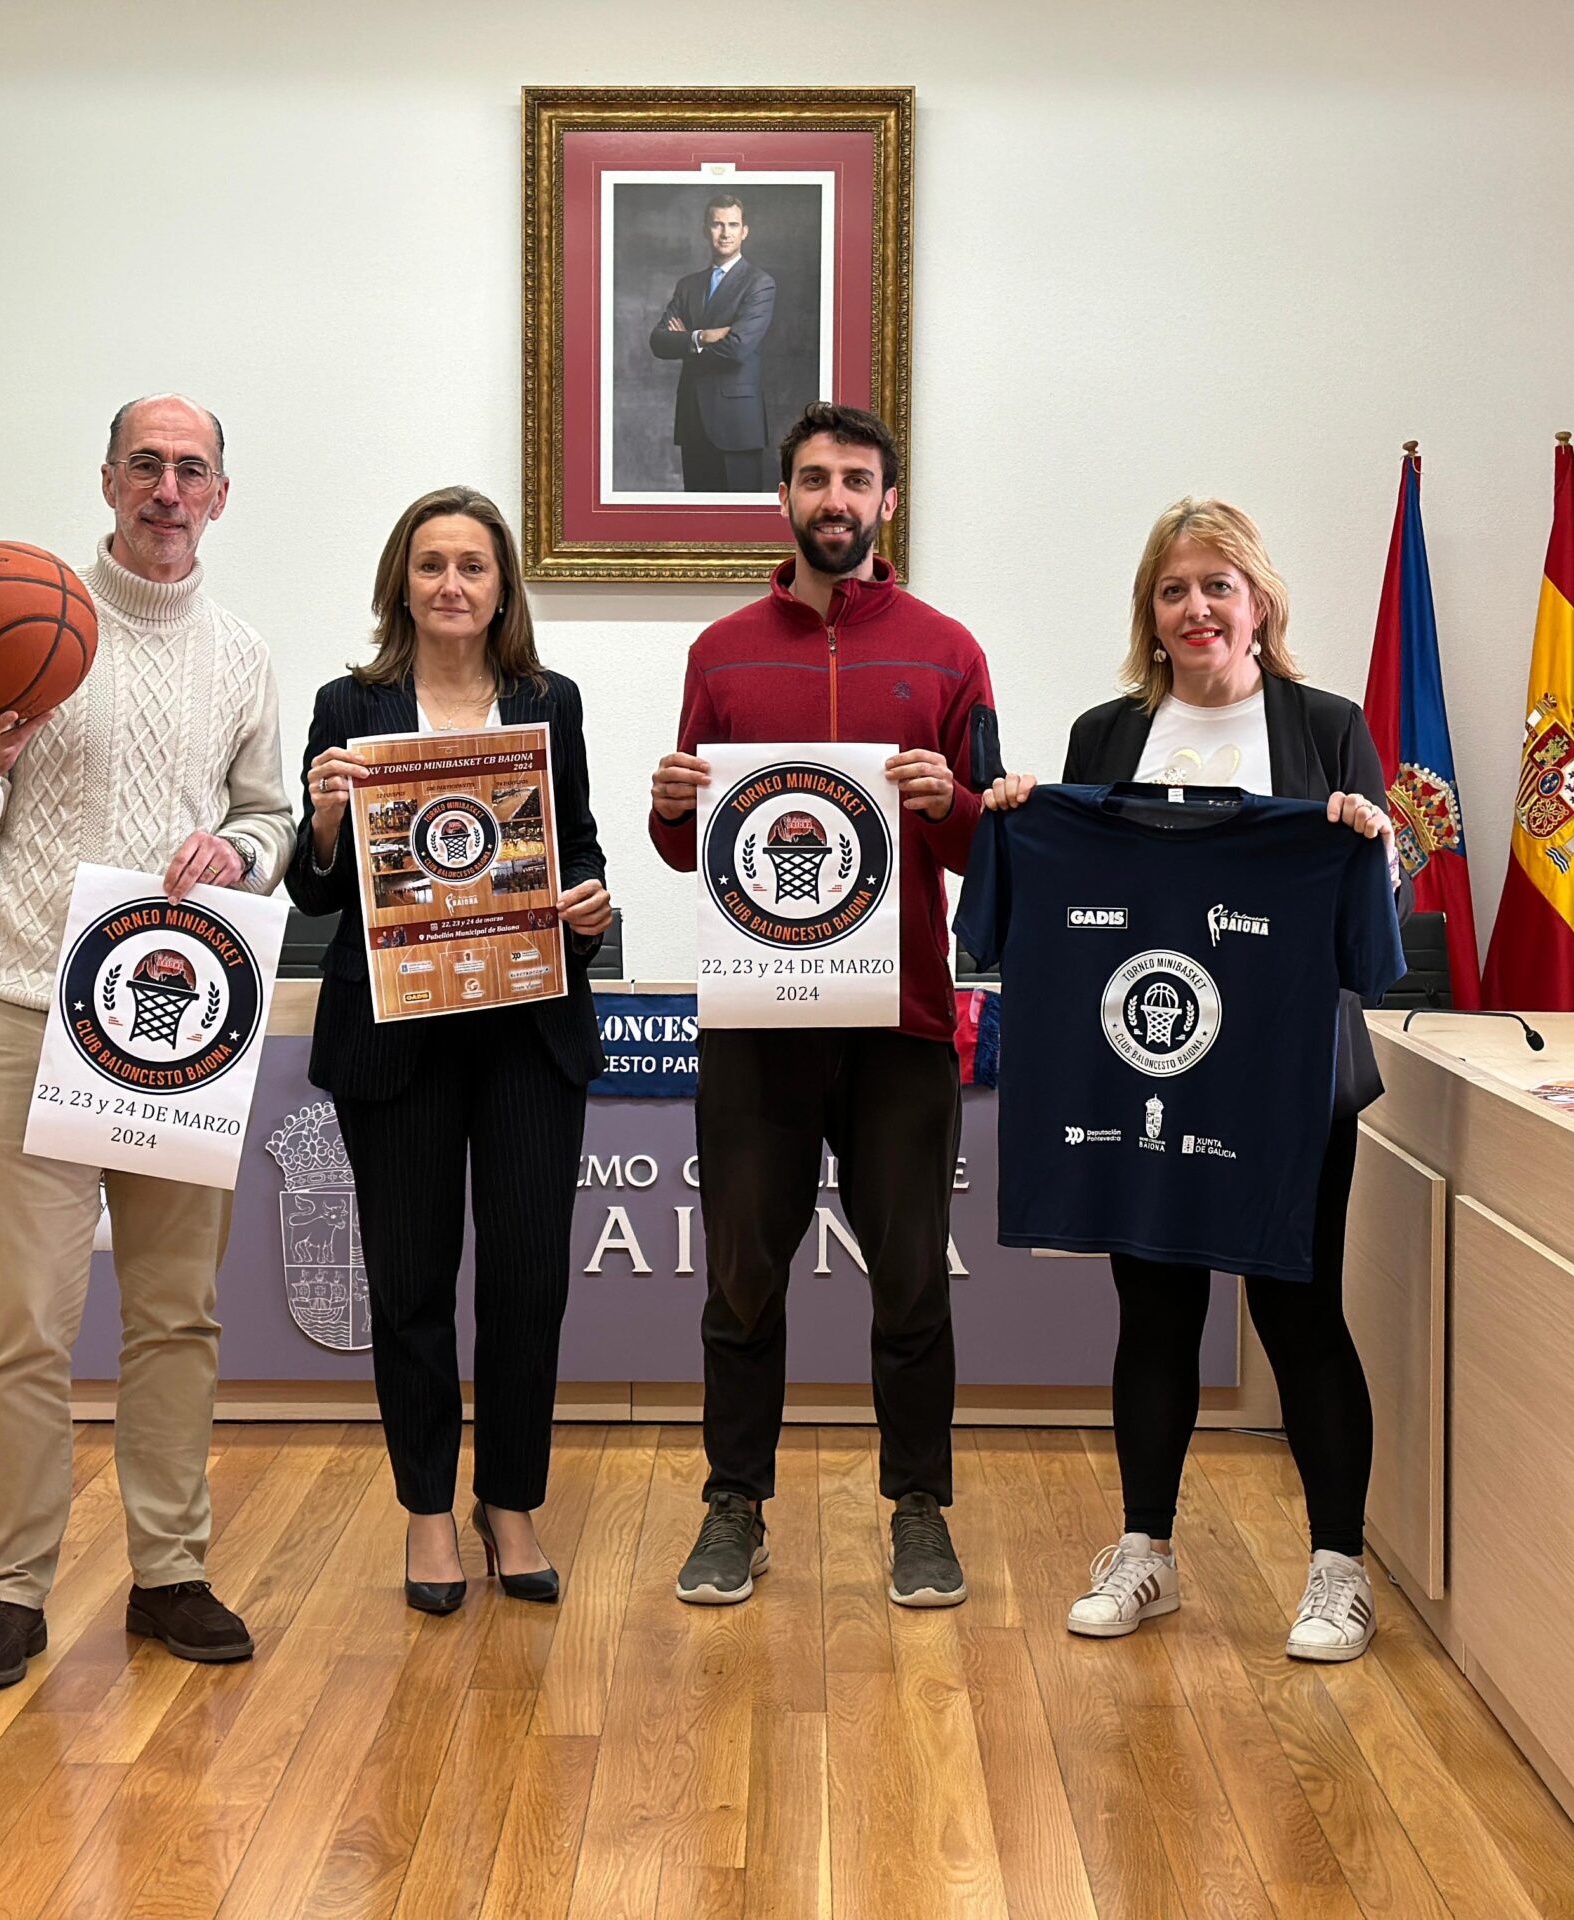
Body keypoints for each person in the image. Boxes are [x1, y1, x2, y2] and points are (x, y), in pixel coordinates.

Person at [0, 393, 294, 1692]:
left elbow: (273, 816)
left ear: (222, 495)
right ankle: (9, 1589)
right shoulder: (27, 622)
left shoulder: (241, 653)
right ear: (109, 480)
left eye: (194, 470)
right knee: (22, 1324)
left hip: (177, 1016)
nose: (170, 489)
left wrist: (239, 850)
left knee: (177, 1316)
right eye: (149, 465)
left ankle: (170, 1571)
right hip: (24, 1007)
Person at [984, 496, 1399, 1663]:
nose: (1197, 607)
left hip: (1290, 1076)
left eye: (1218, 584)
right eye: (1174, 590)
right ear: (1149, 616)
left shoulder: (1325, 726)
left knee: (1297, 1312)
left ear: (1259, 601)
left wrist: (1368, 838)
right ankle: (1146, 1552)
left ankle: (1335, 1569)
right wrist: (1020, 818)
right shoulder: (1105, 737)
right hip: (1145, 1063)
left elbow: (1376, 914)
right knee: (1154, 1312)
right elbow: (1069, 908)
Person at [649, 401, 995, 1610]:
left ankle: (917, 1509)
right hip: (755, 1020)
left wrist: (952, 796)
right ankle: (733, 1506)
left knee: (908, 1278)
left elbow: (978, 851)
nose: (834, 499)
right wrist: (674, 795)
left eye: (856, 480)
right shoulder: (721, 650)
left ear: (887, 502)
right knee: (742, 1279)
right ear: (783, 499)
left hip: (899, 1019)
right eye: (813, 479)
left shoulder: (948, 651)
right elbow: (684, 846)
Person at [288, 486, 613, 1615]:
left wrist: (590, 902)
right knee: (413, 1282)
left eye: (472, 566)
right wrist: (326, 817)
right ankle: (429, 1511)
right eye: (431, 565)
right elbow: (317, 888)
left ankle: (508, 1501)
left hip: (527, 1030)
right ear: (402, 583)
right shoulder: (351, 703)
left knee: (526, 1282)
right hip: (396, 1039)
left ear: (501, 586)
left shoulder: (547, 701)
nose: (452, 585)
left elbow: (579, 848)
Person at [646, 192, 777, 492]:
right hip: (693, 422)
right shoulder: (688, 285)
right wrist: (702, 336)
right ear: (706, 229)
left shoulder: (759, 283)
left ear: (744, 231)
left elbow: (738, 347)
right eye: (717, 224)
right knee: (695, 527)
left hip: (738, 425)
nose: (725, 232)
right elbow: (658, 341)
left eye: (733, 225)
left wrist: (686, 343)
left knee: (740, 529)